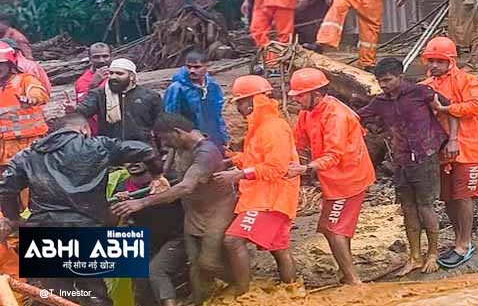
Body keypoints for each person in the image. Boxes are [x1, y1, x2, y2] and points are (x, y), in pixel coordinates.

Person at [0, 114, 163, 306]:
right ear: (84, 129)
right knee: (93, 292)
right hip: (87, 228)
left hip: (43, 230)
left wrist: (14, 218)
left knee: (46, 295)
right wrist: (158, 176)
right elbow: (144, 150)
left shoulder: (28, 154)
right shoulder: (98, 146)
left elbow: (6, 188)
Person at [112, 113, 237, 304]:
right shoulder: (177, 147)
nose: (164, 145)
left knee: (208, 263)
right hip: (193, 213)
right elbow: (164, 177)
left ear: (178, 133)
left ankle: (242, 283)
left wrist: (142, 202)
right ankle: (198, 300)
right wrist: (139, 191)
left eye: (165, 139)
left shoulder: (206, 152)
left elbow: (186, 186)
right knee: (195, 264)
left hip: (216, 212)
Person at [358, 57, 459, 276]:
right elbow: (356, 116)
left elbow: (449, 109)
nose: (383, 85)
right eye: (380, 81)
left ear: (400, 76)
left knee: (425, 206)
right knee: (407, 209)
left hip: (426, 155)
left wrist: (453, 140)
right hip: (402, 159)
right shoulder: (380, 102)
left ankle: (432, 254)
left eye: (388, 80)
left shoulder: (420, 92)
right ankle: (414, 256)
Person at [286, 68, 375, 285]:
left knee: (332, 228)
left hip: (349, 179)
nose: (296, 99)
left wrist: (306, 169)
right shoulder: (308, 112)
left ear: (316, 93)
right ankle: (347, 272)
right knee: (333, 228)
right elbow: (298, 141)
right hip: (334, 179)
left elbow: (334, 155)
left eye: (300, 95)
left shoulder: (336, 115)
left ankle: (354, 281)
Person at [213, 75, 300, 295]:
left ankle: (243, 294)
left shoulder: (272, 128)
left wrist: (238, 175)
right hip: (268, 195)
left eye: (240, 102)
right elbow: (256, 158)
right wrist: (232, 159)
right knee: (278, 248)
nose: (238, 107)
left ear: (252, 100)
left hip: (271, 198)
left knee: (233, 241)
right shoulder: (260, 125)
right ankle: (292, 290)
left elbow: (276, 168)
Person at [419, 37, 478, 269]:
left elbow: (477, 107)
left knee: (463, 196)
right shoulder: (426, 85)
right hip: (442, 150)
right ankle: (458, 240)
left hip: (470, 148)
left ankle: (465, 243)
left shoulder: (469, 81)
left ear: (451, 60)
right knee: (448, 196)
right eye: (431, 61)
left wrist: (448, 108)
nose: (435, 65)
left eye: (440, 61)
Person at [113, 161, 185, 306]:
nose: (133, 163)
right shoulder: (122, 188)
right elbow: (112, 219)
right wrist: (121, 205)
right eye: (128, 159)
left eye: (139, 158)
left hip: (176, 238)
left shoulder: (168, 179)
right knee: (140, 282)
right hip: (146, 242)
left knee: (157, 271)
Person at [72, 58, 162, 142]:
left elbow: (160, 125)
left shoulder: (149, 96)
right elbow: (84, 111)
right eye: (111, 73)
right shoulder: (99, 94)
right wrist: (72, 110)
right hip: (109, 147)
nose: (113, 77)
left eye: (119, 74)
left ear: (131, 76)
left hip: (141, 147)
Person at [163, 51, 228, 148]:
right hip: (189, 142)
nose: (192, 71)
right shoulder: (177, 89)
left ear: (207, 66)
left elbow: (217, 115)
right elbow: (171, 118)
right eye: (188, 67)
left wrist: (223, 137)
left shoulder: (213, 86)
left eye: (197, 67)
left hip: (213, 138)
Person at [0, 41, 48, 166]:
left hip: (27, 144)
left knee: (28, 181)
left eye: (1, 63)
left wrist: (32, 99)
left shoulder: (25, 79)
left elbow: (39, 92)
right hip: (2, 147)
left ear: (10, 63)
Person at [72, 42, 112, 135]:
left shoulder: (118, 74)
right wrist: (93, 85)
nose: (101, 60)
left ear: (111, 56)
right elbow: (82, 106)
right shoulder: (83, 81)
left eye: (105, 56)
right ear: (90, 58)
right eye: (96, 57)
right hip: (96, 129)